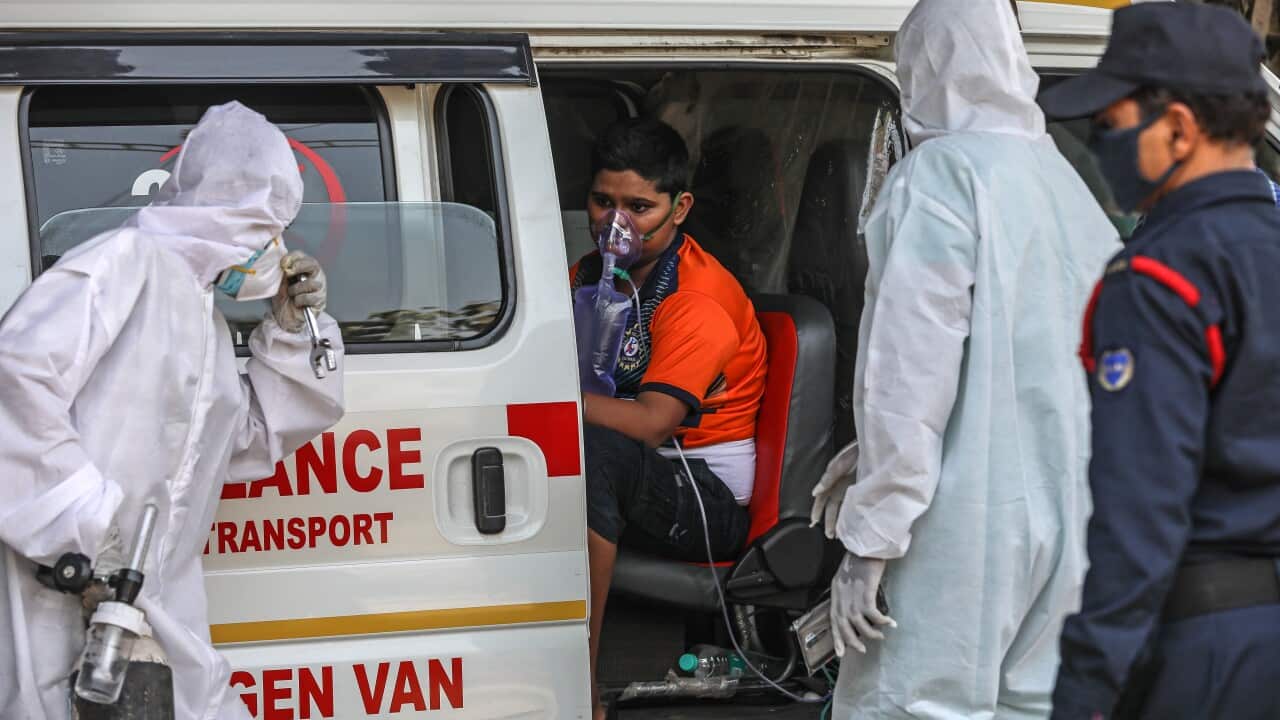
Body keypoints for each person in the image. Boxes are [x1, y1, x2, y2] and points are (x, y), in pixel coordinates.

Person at [807, 1, 1120, 716]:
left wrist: (871, 536)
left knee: (921, 701)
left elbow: (908, 378)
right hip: (1075, 509)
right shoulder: (1064, 183)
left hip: (963, 521)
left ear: (923, 65)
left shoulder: (940, 178)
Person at [0, 101, 344, 719]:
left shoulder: (202, 318)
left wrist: (291, 333)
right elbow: (15, 380)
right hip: (60, 596)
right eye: (265, 227)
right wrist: (82, 530)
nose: (275, 247)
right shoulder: (122, 264)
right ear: (228, 212)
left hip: (156, 607)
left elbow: (245, 439)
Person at [1038, 4, 1280, 718]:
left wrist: (1088, 685)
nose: (1101, 145)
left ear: (1177, 127)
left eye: (1110, 128)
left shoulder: (1161, 276)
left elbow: (1141, 512)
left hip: (1207, 643)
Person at [572, 118, 767, 720]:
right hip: (638, 470)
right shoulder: (590, 274)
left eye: (638, 206)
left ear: (679, 208)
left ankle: (580, 684)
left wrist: (541, 398)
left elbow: (654, 424)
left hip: (705, 493)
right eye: (603, 202)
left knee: (596, 451)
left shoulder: (695, 298)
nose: (616, 222)